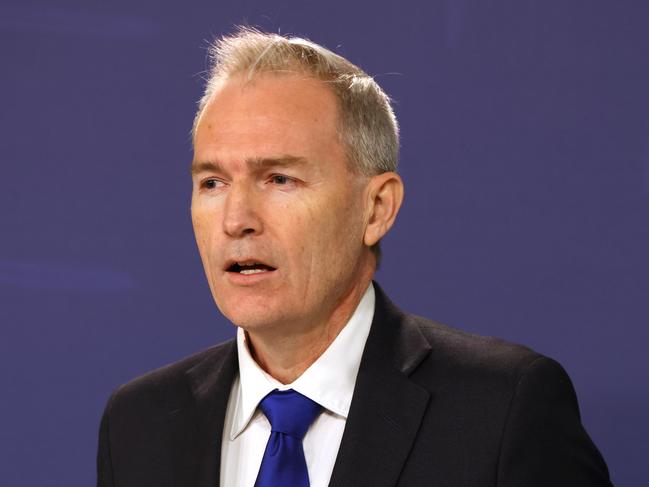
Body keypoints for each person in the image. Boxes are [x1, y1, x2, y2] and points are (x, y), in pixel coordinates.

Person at [97, 28, 613, 487]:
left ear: (376, 208)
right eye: (212, 182)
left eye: (279, 178)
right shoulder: (140, 423)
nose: (236, 220)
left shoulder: (501, 410)